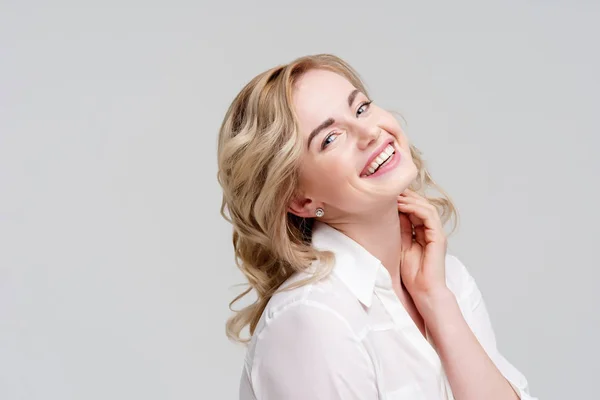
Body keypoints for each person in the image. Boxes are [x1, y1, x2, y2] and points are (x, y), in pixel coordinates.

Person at [216, 54, 537, 400]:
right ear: (301, 200)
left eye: (361, 108)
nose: (369, 132)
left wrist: (436, 300)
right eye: (330, 138)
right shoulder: (313, 319)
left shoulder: (449, 282)